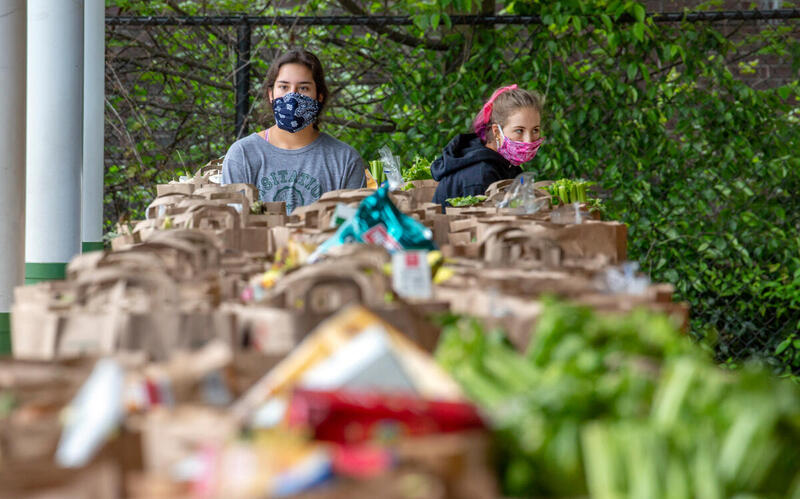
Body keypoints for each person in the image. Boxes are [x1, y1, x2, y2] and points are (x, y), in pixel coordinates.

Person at [222, 50, 365, 213]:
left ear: (319, 96)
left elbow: (352, 229)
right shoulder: (243, 154)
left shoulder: (345, 160)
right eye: (284, 86)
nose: (292, 96)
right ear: (271, 94)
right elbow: (232, 224)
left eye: (303, 88)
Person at [431, 85, 544, 207]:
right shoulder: (480, 176)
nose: (528, 140)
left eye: (535, 130)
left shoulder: (507, 165)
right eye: (519, 131)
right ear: (496, 131)